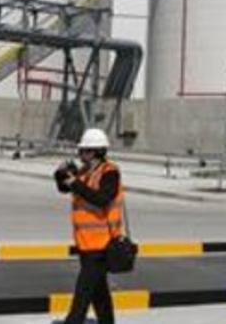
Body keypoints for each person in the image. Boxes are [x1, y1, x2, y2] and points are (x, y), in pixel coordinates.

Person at [55, 128, 124, 324]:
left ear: (93, 152)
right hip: (86, 244)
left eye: (83, 150)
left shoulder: (110, 172)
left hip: (101, 245)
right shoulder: (85, 172)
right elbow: (63, 187)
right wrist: (61, 174)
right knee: (99, 294)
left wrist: (75, 183)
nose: (80, 154)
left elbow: (102, 199)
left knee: (82, 296)